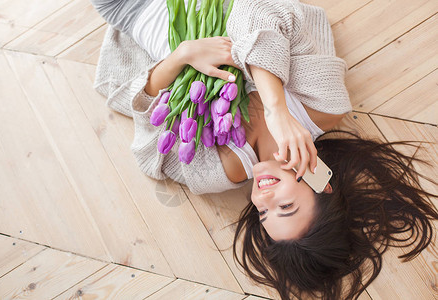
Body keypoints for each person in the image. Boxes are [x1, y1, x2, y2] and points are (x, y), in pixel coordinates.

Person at [90, 0, 438, 299]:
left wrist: (182, 56)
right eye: (284, 206)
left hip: (136, 10)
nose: (262, 200)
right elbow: (263, 11)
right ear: (322, 185)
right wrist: (277, 110)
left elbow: (145, 128)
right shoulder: (322, 106)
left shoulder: (219, 172)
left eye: (264, 215)